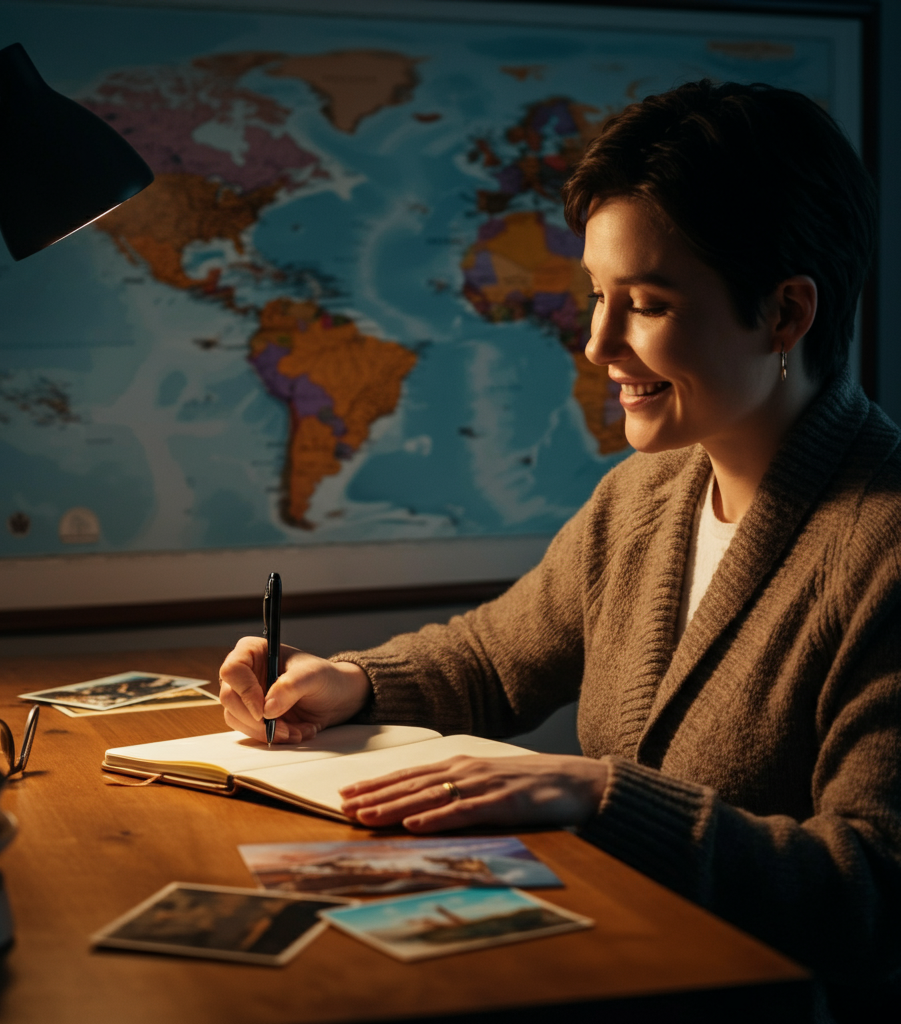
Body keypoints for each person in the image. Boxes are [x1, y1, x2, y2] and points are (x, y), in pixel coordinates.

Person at [220, 81, 900, 1020]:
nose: (597, 345)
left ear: (785, 314)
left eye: (648, 304)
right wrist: (350, 681)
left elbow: (872, 895)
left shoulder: (883, 550)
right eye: (596, 297)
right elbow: (497, 659)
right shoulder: (644, 496)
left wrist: (604, 796)